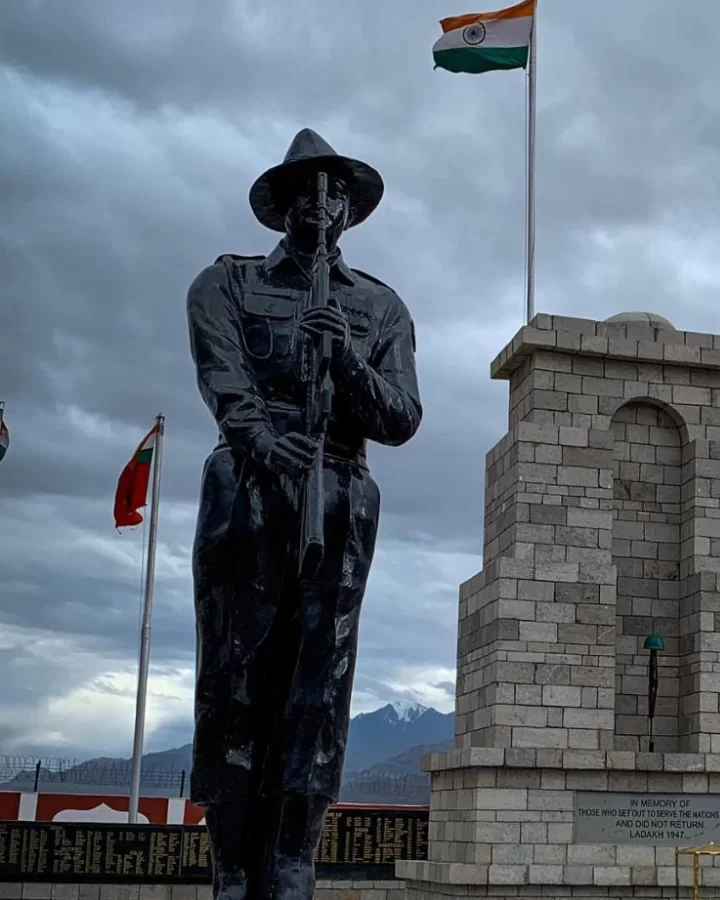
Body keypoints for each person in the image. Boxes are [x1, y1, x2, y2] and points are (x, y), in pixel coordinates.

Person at [185, 129, 422, 900]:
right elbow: (224, 379)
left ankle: (294, 859)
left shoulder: (380, 306)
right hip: (249, 490)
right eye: (309, 193)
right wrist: (263, 441)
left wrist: (347, 360)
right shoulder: (225, 283)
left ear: (351, 212)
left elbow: (400, 418)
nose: (324, 208)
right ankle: (231, 865)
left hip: (343, 493)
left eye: (337, 195)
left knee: (322, 680)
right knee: (236, 669)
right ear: (282, 205)